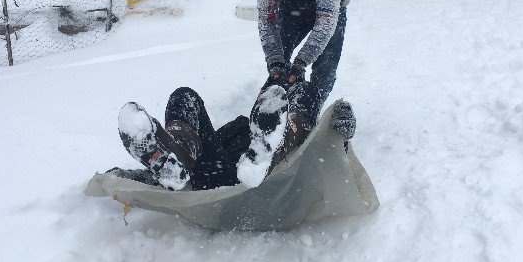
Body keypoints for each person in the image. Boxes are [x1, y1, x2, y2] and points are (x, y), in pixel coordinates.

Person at [112, 81, 357, 191]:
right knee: (184, 95)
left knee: (306, 89)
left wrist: (340, 132)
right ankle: (178, 158)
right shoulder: (243, 125)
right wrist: (140, 177)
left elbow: (327, 157)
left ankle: (267, 154)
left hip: (268, 179)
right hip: (218, 173)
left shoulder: (304, 140)